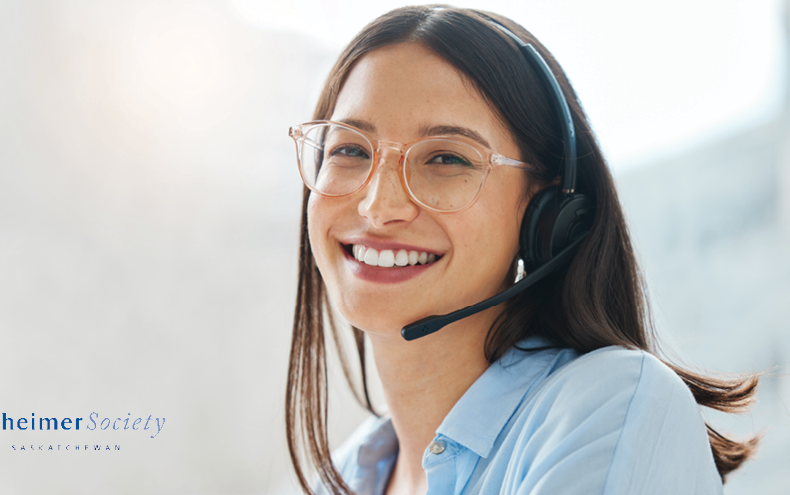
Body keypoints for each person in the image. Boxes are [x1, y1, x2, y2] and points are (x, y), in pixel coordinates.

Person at [284, 6, 758, 495]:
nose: (378, 206)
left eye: (446, 158)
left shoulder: (607, 408)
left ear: (544, 211)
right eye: (350, 150)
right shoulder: (337, 479)